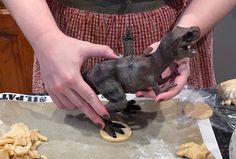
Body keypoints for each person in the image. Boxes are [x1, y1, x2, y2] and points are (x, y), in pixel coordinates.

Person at [2, 0, 236, 130]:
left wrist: (186, 30)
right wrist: (46, 40)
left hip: (179, 21)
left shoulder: (174, 46)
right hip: (66, 40)